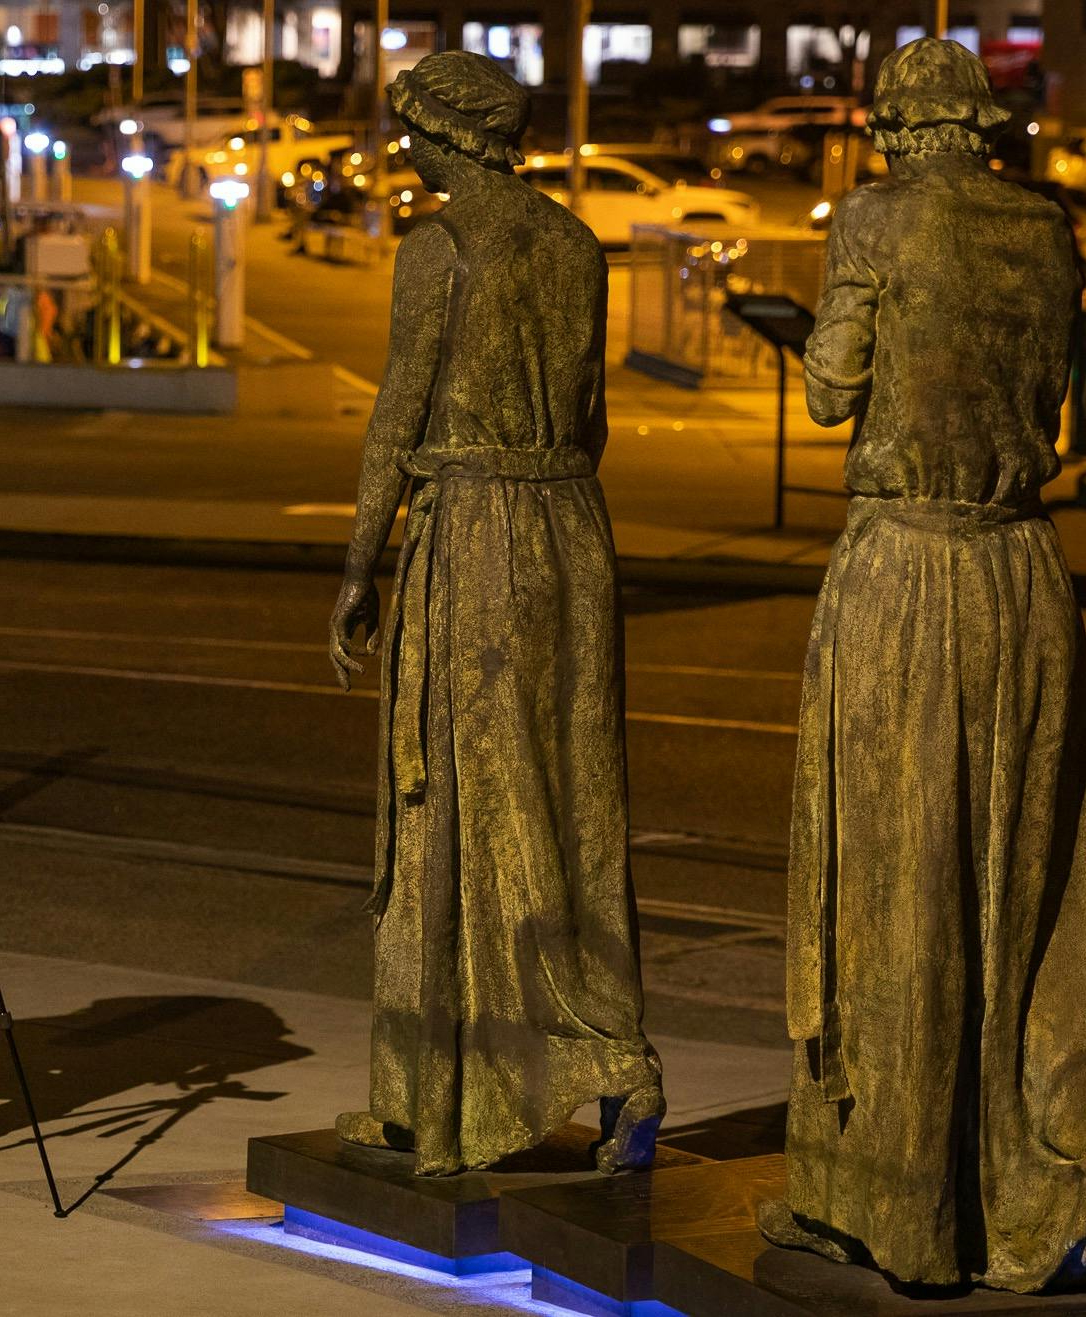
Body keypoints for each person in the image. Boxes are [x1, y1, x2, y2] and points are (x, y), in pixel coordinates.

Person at [757, 39, 1086, 1293]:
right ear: (984, 126)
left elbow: (830, 393)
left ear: (895, 128)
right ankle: (1017, 1191)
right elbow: (1045, 405)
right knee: (1018, 892)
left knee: (889, 887)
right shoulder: (1042, 230)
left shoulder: (877, 222)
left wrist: (842, 329)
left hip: (903, 572)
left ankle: (889, 1205)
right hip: (1022, 577)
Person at [326, 51, 664, 1177]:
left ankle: (481, 1087)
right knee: (572, 803)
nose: (404, 151)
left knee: (465, 808)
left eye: (414, 131)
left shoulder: (442, 247)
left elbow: (395, 412)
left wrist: (357, 565)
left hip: (471, 532)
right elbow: (590, 412)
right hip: (571, 528)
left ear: (456, 139)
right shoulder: (572, 243)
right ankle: (596, 1061)